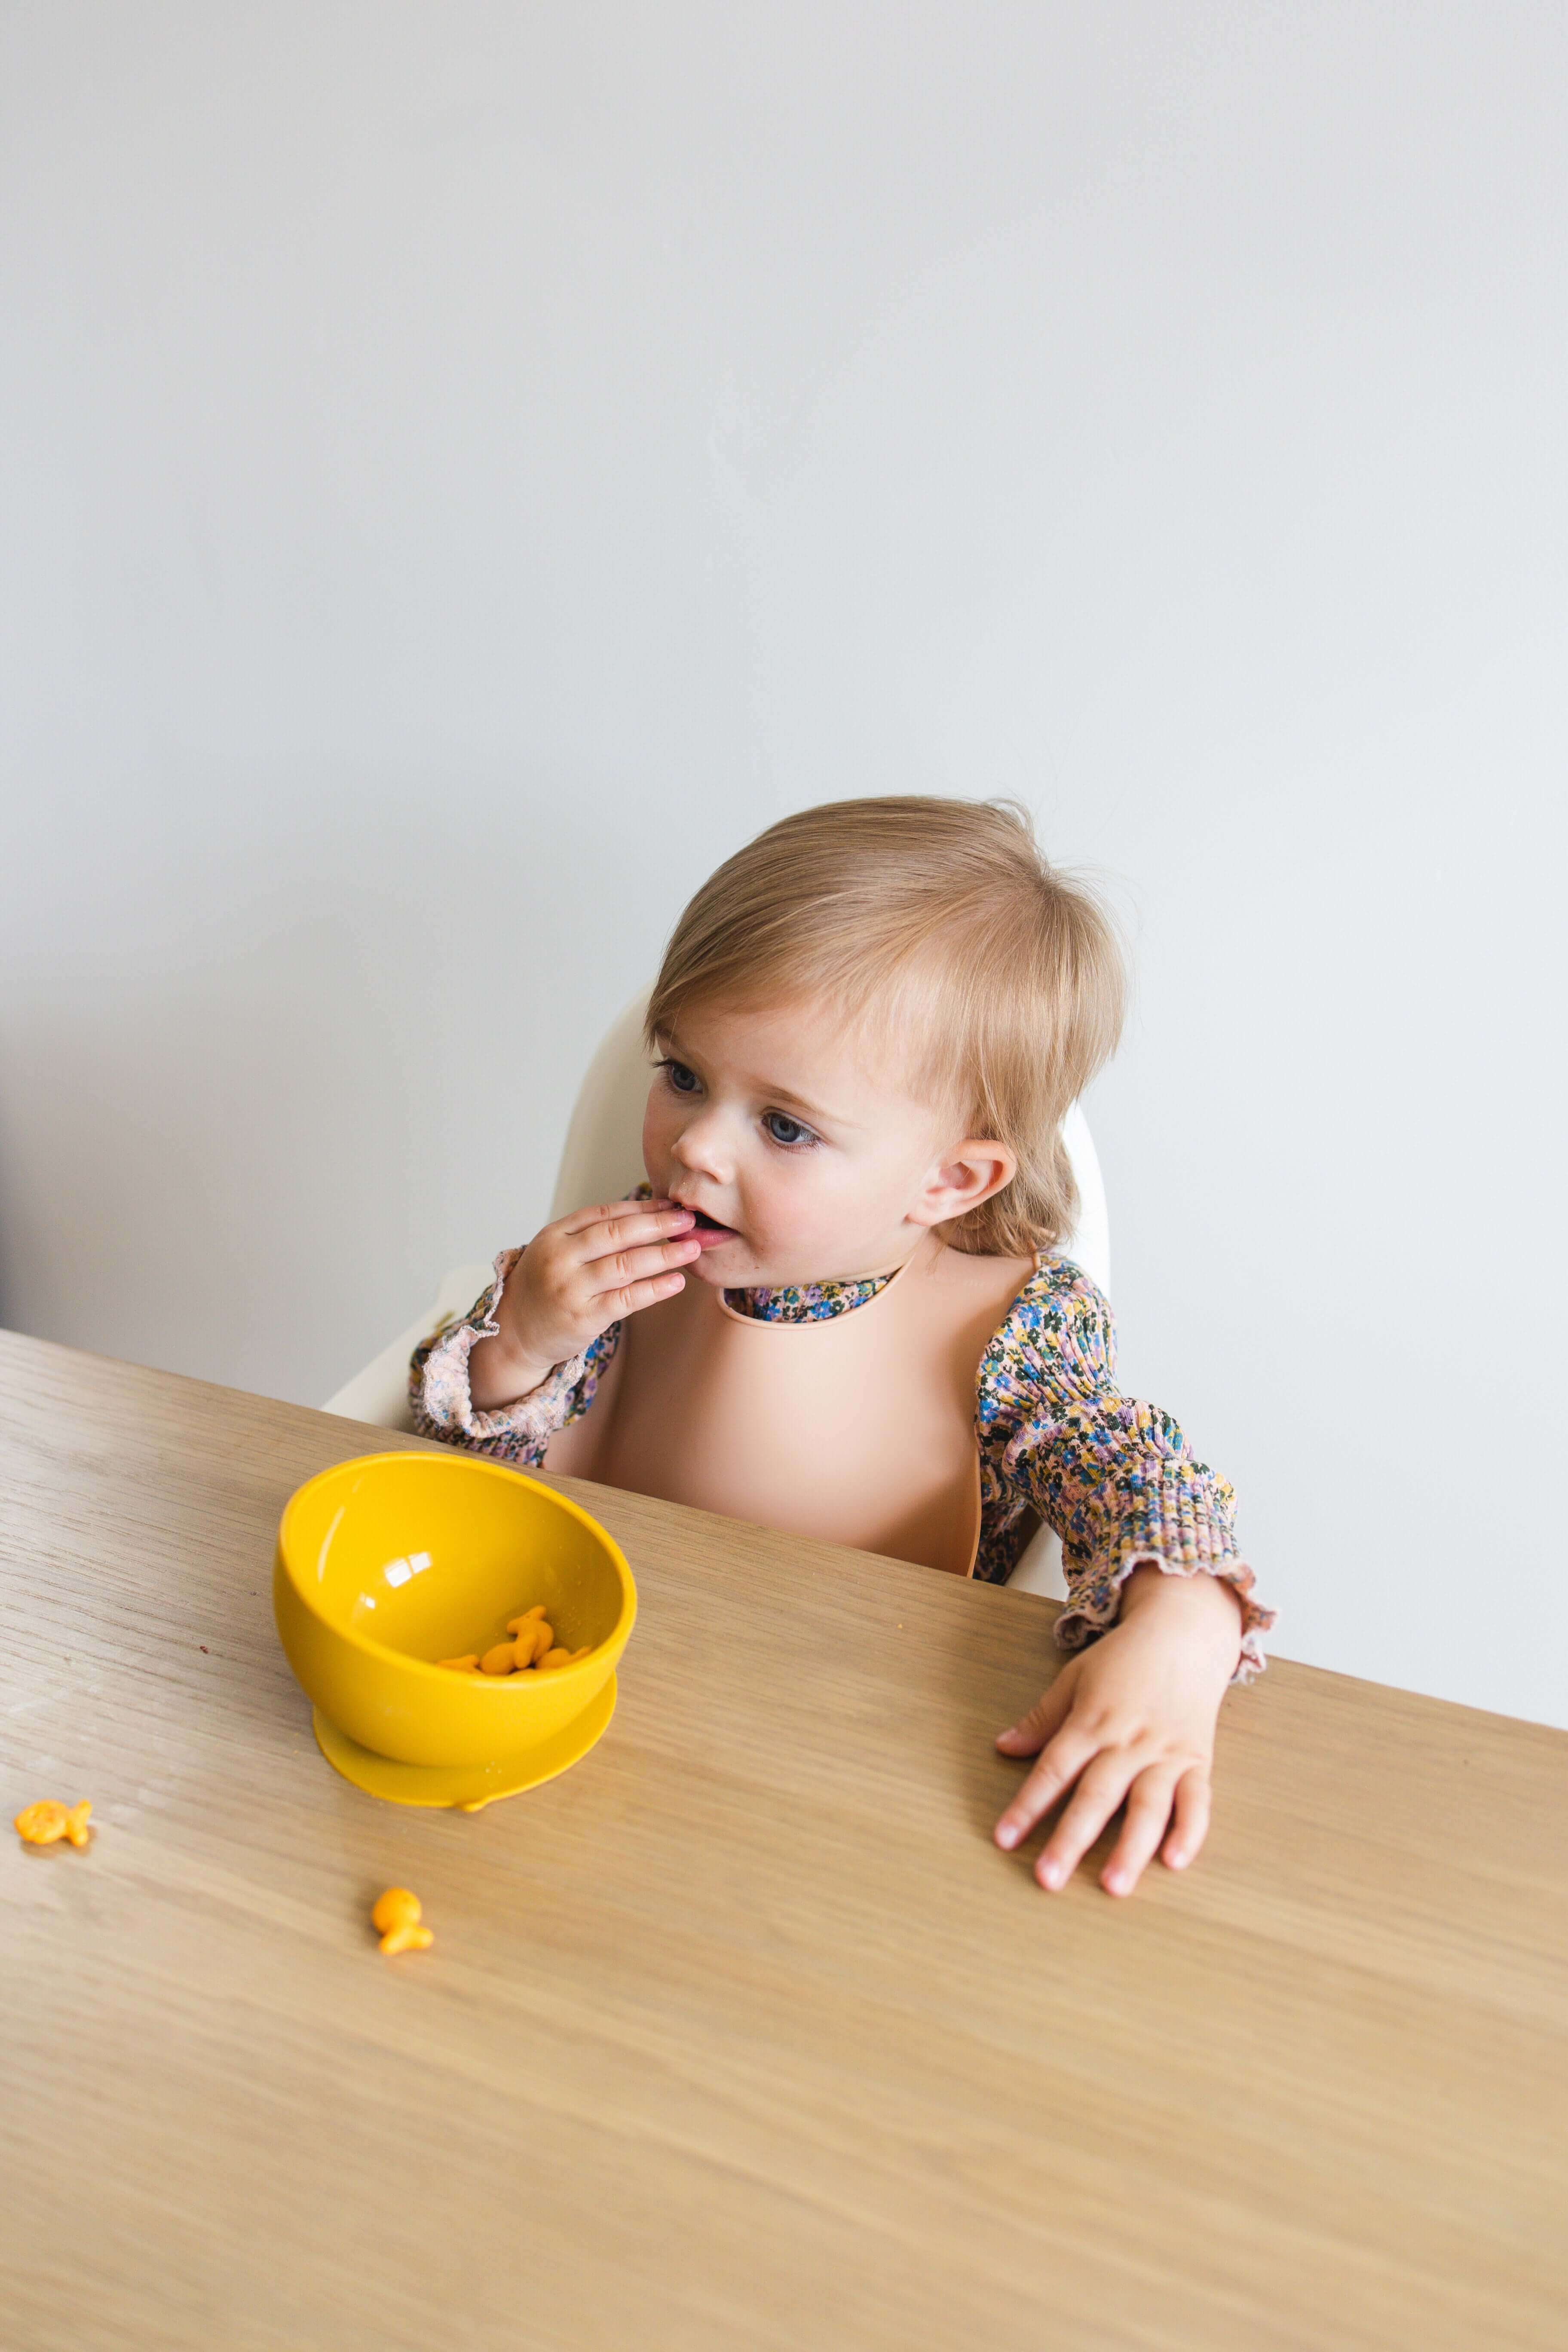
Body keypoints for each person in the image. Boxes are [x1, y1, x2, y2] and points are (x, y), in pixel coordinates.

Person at [412, 797, 1272, 1896]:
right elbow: (461, 1453)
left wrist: (1184, 1634)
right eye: (683, 1076)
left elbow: (1141, 1477)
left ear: (949, 1180)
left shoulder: (1017, 1332)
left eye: (785, 1126)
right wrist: (524, 1338)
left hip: (851, 1767)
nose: (695, 1149)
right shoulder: (627, 1257)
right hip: (578, 1695)